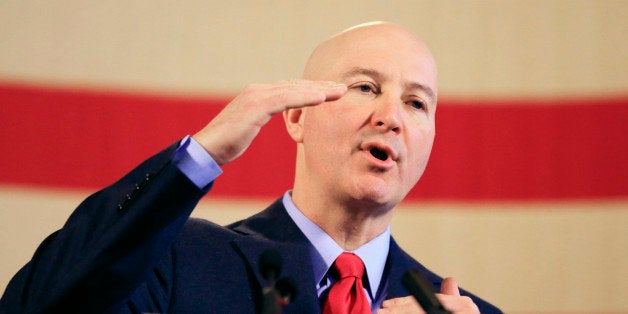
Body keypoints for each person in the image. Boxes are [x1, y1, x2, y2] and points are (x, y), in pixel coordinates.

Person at [0, 22, 501, 313]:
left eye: (417, 103)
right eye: (366, 87)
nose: (390, 117)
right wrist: (201, 154)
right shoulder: (179, 261)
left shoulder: (461, 311)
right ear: (298, 117)